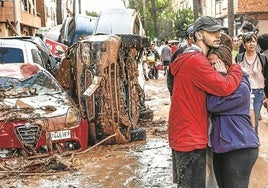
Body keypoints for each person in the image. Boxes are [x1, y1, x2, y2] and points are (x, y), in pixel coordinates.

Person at [168, 16, 243, 188]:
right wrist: (235, 68)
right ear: (199, 35)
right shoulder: (196, 61)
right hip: (190, 136)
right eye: (213, 32)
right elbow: (224, 87)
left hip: (185, 132)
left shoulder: (189, 57)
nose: (218, 35)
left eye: (218, 31)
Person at [207, 41, 260, 188]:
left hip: (241, 147)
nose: (212, 68)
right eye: (209, 64)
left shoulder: (241, 88)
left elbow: (213, 104)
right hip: (222, 147)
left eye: (215, 64)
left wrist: (221, 76)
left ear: (226, 64)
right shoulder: (216, 84)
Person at [235, 32, 268, 134]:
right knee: (246, 118)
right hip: (244, 92)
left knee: (255, 119)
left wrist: (267, 95)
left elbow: (267, 77)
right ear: (244, 44)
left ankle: (254, 142)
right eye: (248, 41)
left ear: (256, 43)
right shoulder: (239, 58)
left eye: (253, 41)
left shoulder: (262, 58)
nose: (251, 44)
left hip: (258, 92)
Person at [167, 23, 194, 96]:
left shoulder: (204, 52)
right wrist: (172, 92)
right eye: (192, 36)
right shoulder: (179, 53)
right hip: (181, 92)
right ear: (187, 38)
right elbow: (171, 73)